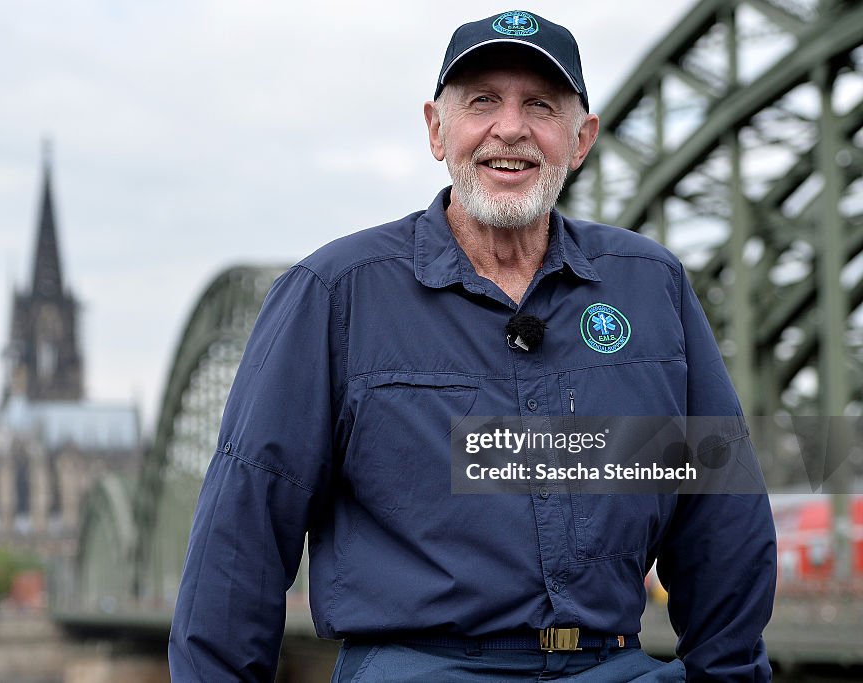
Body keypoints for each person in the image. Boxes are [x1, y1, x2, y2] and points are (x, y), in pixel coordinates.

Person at [169, 10, 776, 682]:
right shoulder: (336, 293)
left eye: (540, 105)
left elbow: (722, 521)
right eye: (482, 100)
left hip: (614, 665)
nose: (510, 128)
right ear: (436, 129)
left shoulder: (650, 286)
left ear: (581, 139)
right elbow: (243, 531)